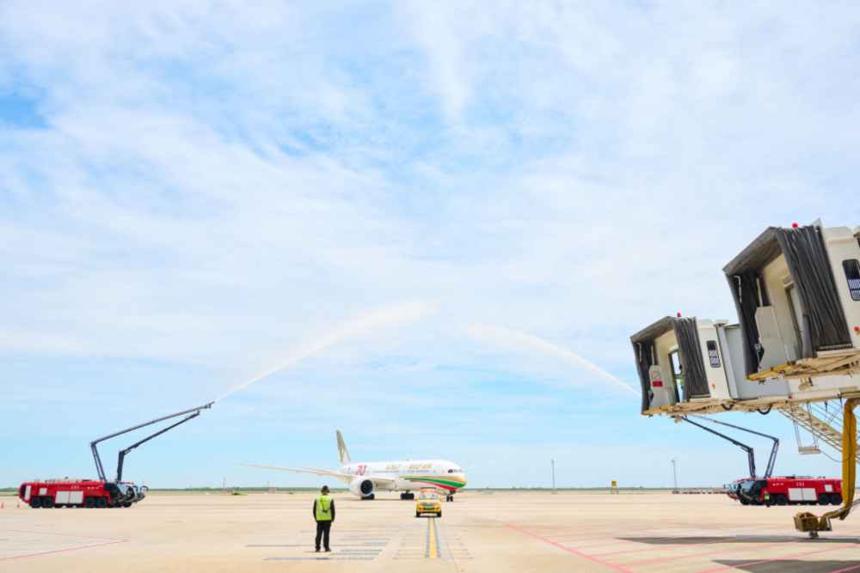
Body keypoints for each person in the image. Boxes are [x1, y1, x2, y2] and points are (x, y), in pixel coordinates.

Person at [313, 485, 335, 553]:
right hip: (328, 519)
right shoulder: (330, 499)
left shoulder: (317, 499)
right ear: (328, 491)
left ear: (321, 491)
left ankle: (317, 548)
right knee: (326, 534)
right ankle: (326, 548)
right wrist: (333, 518)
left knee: (318, 534)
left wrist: (316, 518)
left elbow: (314, 510)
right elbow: (332, 510)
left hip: (319, 519)